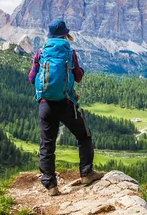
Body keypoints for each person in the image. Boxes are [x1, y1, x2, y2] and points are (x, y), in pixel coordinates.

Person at [28, 19, 101, 196]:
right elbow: (78, 77)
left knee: (47, 143)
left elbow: (32, 78)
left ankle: (51, 185)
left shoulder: (41, 52)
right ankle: (86, 173)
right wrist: (79, 70)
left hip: (45, 104)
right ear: (64, 34)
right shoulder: (69, 52)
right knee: (84, 136)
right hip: (66, 103)